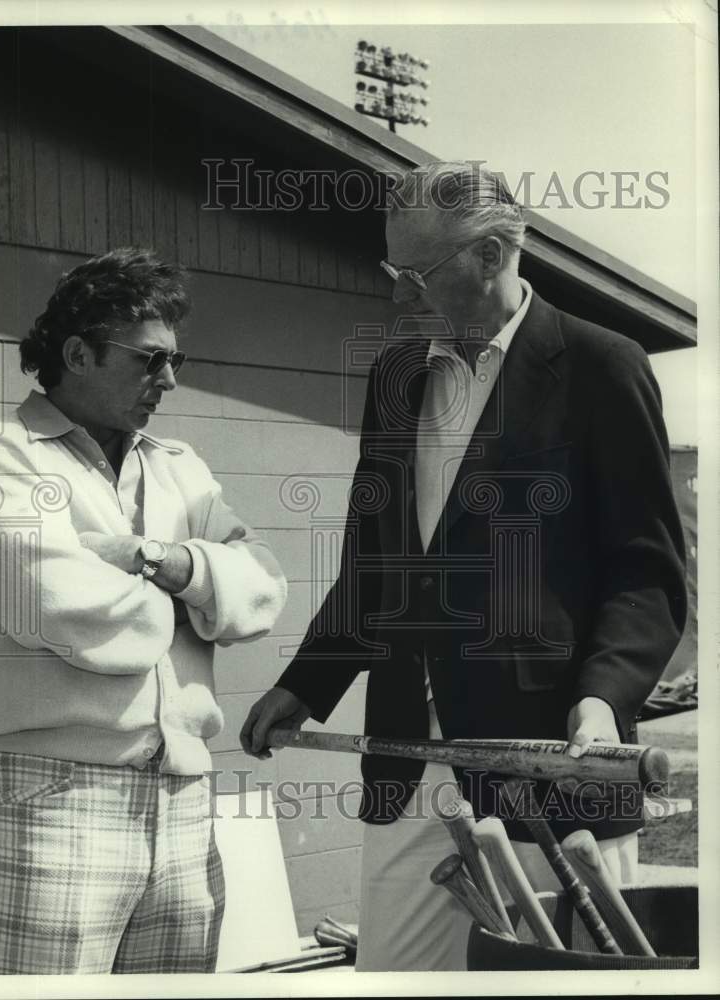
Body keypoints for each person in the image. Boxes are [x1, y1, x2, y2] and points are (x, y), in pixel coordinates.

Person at [240, 162, 686, 970]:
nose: (398, 296)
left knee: (560, 982)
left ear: (491, 257)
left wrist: (601, 699)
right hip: (409, 758)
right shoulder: (396, 379)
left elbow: (646, 571)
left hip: (553, 764)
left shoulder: (602, 366)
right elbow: (375, 567)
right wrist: (304, 685)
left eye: (416, 274)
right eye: (392, 272)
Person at [0, 247, 287, 974]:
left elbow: (263, 589)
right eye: (148, 359)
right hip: (60, 792)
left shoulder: (180, 465)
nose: (168, 380)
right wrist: (199, 597)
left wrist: (160, 559)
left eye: (176, 359)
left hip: (185, 797)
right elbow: (50, 602)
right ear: (77, 353)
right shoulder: (2, 455)